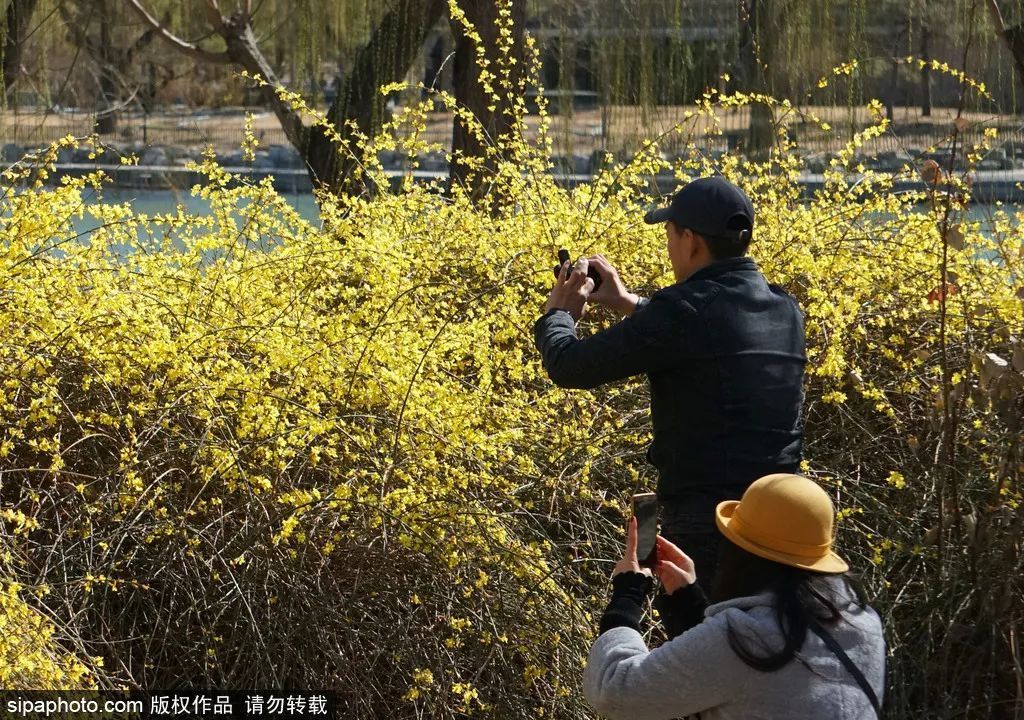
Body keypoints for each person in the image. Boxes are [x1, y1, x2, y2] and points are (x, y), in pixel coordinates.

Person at [534, 176, 806, 589]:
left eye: (670, 234)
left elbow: (570, 366)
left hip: (711, 522)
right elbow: (710, 334)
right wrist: (629, 303)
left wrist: (559, 314)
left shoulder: (684, 311)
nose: (669, 246)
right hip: (784, 518)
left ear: (692, 240)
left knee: (703, 643)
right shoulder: (785, 308)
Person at [584, 473, 886, 720]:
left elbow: (616, 691)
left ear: (744, 555)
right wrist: (688, 602)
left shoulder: (744, 636)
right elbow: (763, 690)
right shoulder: (864, 625)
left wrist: (627, 595)